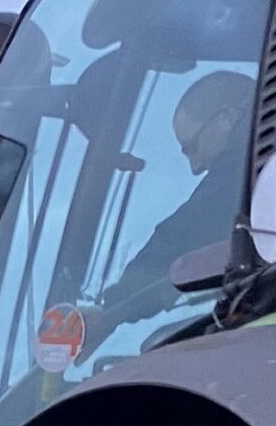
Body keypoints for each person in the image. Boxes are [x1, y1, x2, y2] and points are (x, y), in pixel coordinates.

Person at [93, 68, 256, 330]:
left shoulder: (247, 167)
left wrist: (113, 309)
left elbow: (186, 232)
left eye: (192, 147)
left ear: (227, 118)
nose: (195, 167)